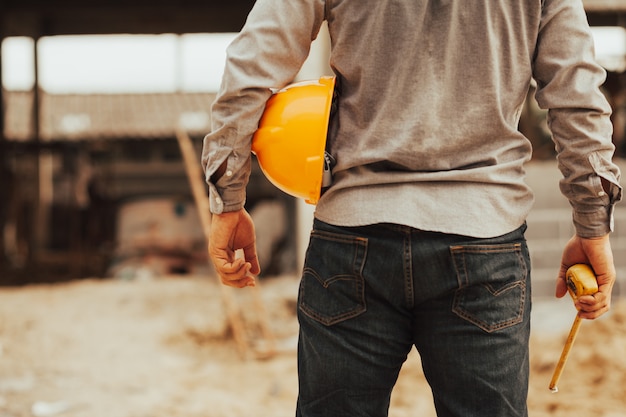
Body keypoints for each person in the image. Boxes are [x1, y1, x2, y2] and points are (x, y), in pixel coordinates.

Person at [201, 1, 622, 416]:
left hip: (353, 239)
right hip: (483, 239)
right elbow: (576, 94)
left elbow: (251, 65)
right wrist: (592, 224)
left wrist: (227, 200)